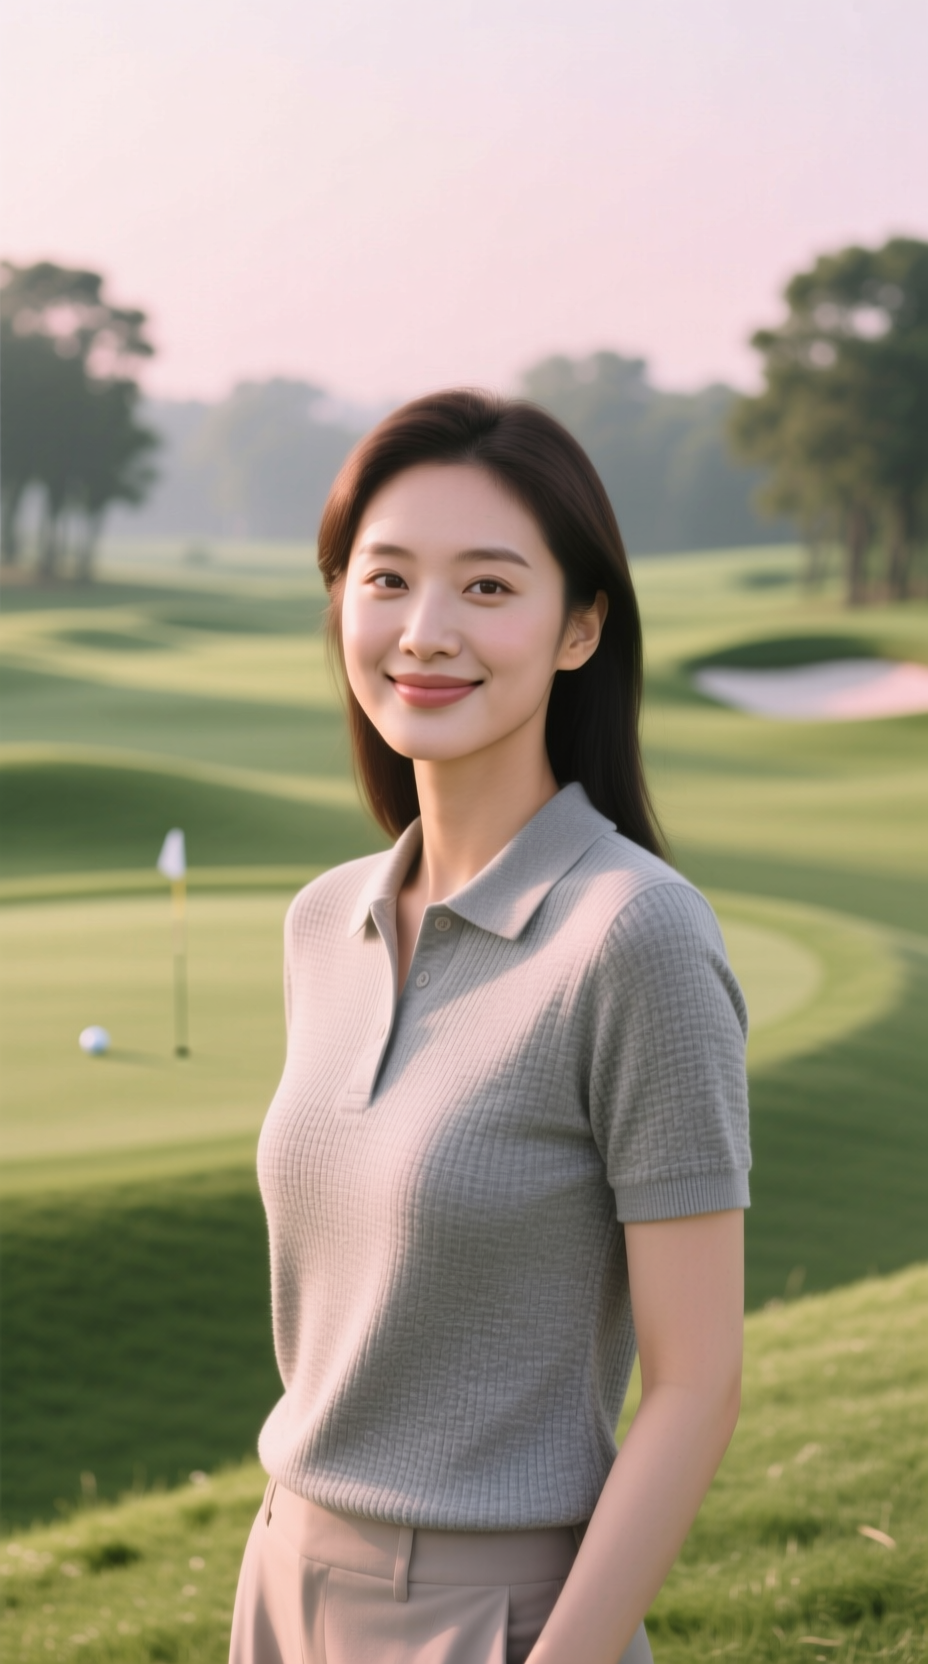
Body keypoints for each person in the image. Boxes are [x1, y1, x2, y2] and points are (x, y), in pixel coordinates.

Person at [229, 389, 751, 1664]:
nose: (424, 630)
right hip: (281, 1575)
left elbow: (696, 1384)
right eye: (386, 578)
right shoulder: (324, 919)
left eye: (487, 587)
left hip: (491, 1611)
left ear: (580, 626)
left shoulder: (636, 934)